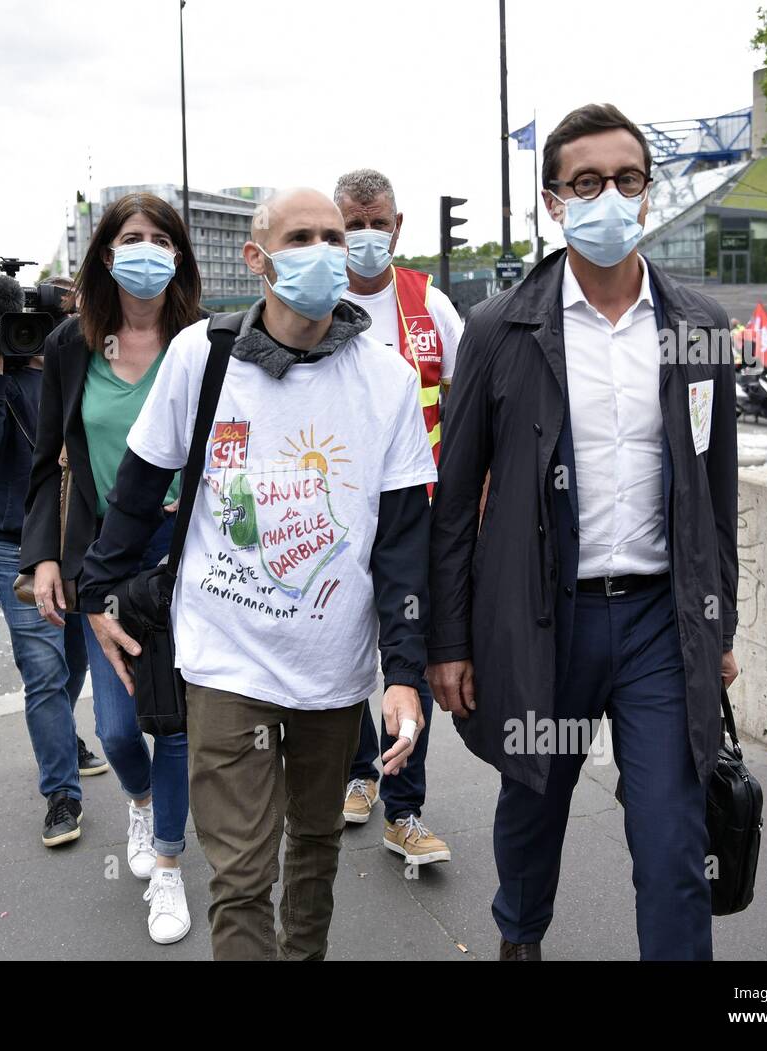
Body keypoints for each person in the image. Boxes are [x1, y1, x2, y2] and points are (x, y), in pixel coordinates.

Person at [79, 188, 435, 960]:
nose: (324, 252)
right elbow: (139, 488)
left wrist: (404, 669)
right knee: (240, 874)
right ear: (257, 257)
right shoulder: (200, 355)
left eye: (334, 236)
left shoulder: (388, 382)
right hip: (224, 655)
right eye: (301, 236)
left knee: (313, 853)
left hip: (333, 667)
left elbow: (405, 542)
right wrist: (98, 590)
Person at [428, 104, 740, 961]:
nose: (609, 196)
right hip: (542, 618)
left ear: (647, 193)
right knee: (535, 800)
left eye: (626, 179)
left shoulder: (699, 328)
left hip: (654, 626)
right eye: (587, 182)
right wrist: (449, 640)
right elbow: (455, 503)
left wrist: (720, 624)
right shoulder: (498, 331)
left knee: (675, 842)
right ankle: (519, 937)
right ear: (554, 201)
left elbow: (716, 494)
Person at [21, 192, 203, 945]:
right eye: (132, 237)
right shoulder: (70, 344)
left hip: (192, 555)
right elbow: (43, 463)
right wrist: (43, 559)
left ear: (180, 256)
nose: (148, 249)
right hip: (107, 560)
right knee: (119, 725)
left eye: (162, 238)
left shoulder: (202, 342)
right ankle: (136, 798)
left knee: (178, 721)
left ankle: (167, 862)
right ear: (105, 253)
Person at [334, 168, 463, 865]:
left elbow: (471, 399)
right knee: (346, 646)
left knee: (407, 652)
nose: (364, 237)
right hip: (340, 518)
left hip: (422, 518)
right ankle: (359, 769)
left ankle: (403, 807)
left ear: (398, 226)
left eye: (376, 222)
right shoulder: (315, 306)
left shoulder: (429, 305)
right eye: (351, 224)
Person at [0, 295, 107, 853]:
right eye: (33, 324)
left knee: (74, 661)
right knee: (44, 668)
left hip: (81, 544)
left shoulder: (86, 372)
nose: (41, 334)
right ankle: (60, 794)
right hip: (13, 546)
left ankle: (63, 737)